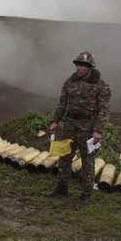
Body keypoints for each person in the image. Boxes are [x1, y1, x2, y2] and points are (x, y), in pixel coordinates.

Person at [45, 51, 111, 205]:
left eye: (82, 65)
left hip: (88, 128)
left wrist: (98, 130)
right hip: (69, 125)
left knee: (88, 161)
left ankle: (86, 193)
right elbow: (62, 103)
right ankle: (61, 188)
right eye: (77, 65)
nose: (78, 68)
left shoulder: (100, 85)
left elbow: (104, 110)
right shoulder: (70, 82)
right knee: (64, 158)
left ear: (90, 67)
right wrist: (55, 120)